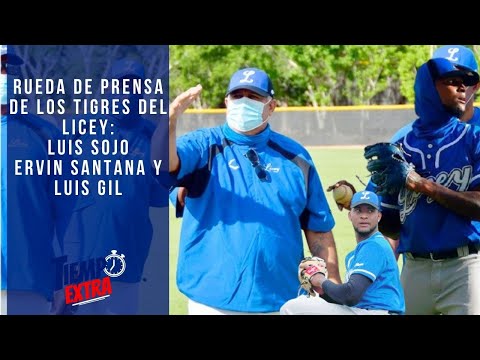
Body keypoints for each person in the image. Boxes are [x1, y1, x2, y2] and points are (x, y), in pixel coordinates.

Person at [163, 67, 341, 314]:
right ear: (226, 102)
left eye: (254, 96)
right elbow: (166, 163)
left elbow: (318, 231)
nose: (244, 102)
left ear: (271, 106)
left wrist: (333, 289)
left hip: (281, 299)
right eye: (237, 95)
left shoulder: (296, 158)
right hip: (212, 301)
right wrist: (168, 126)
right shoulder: (204, 146)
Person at [369, 57, 480, 315]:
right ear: (428, 88)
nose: (462, 88)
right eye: (452, 82)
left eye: (464, 83)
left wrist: (423, 186)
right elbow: (391, 228)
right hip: (414, 269)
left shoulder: (474, 139)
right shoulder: (401, 149)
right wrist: (381, 198)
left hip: (464, 268)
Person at [58, 57, 168, 315]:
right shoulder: (79, 130)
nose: (126, 92)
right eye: (120, 86)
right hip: (83, 261)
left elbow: (158, 197)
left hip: (126, 259)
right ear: (107, 88)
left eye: (134, 86)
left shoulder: (153, 137)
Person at [0, 45, 82, 314]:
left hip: (28, 286)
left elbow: (69, 218)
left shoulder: (46, 135)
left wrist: (67, 281)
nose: (5, 75)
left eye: (8, 68)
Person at [280, 190, 405, 315]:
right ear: (350, 215)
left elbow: (351, 295)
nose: (364, 216)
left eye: (370, 211)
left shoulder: (374, 246)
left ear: (379, 216)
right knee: (307, 301)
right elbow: (345, 298)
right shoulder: (355, 254)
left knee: (292, 308)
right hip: (364, 310)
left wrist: (320, 280)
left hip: (379, 312)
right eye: (358, 210)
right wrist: (321, 290)